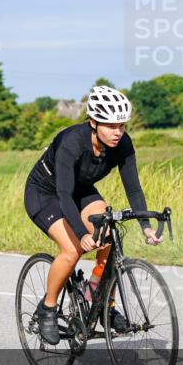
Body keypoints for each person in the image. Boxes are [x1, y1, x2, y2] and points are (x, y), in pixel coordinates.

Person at [23, 85, 162, 345]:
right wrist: (80, 234)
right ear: (93, 122)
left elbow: (133, 187)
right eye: (110, 126)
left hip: (81, 190)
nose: (118, 132)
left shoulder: (122, 144)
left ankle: (100, 299)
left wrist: (146, 226)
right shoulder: (71, 142)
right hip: (46, 194)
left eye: (121, 125)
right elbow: (64, 195)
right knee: (73, 250)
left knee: (109, 232)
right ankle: (48, 308)